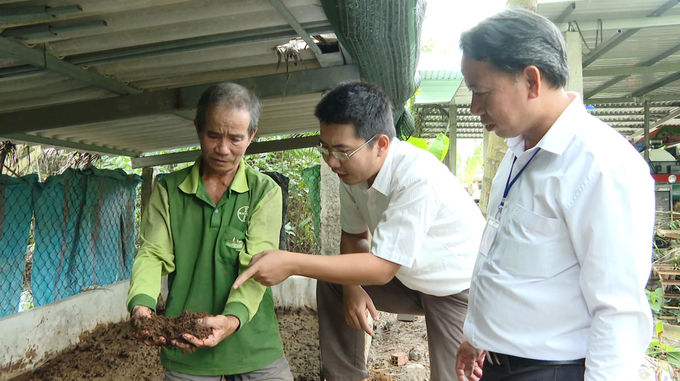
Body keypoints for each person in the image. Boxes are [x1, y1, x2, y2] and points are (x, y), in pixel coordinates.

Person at [233, 81, 486, 381]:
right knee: (333, 283)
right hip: (410, 278)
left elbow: (380, 269)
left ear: (380, 145)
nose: (331, 161)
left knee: (452, 376)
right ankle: (344, 376)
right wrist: (352, 289)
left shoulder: (417, 178)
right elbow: (354, 236)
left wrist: (290, 262)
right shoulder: (353, 173)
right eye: (325, 148)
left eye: (342, 150)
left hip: (457, 288)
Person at [454, 8, 654, 381]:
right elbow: (504, 260)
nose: (474, 108)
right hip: (499, 363)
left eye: (481, 92)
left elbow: (618, 311)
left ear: (532, 80)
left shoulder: (601, 166)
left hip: (549, 371)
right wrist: (477, 334)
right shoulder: (517, 151)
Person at [126, 82, 294, 381]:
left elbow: (257, 263)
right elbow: (152, 252)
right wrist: (142, 306)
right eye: (213, 135)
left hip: (253, 343)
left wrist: (232, 319)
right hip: (185, 343)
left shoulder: (263, 191)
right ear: (197, 128)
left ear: (252, 135)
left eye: (236, 138)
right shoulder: (169, 190)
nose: (223, 149)